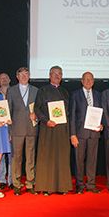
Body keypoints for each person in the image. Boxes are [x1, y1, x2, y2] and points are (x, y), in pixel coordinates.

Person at [34, 66, 72, 195]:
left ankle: (62, 187)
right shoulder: (42, 90)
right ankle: (46, 187)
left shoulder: (65, 92)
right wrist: (45, 120)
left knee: (61, 157)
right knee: (47, 157)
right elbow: (37, 109)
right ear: (49, 75)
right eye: (55, 74)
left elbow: (68, 112)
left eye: (60, 74)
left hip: (62, 129)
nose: (57, 76)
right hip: (48, 129)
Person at [70, 71, 102, 194]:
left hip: (94, 133)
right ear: (82, 81)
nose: (88, 81)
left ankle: (91, 184)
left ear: (93, 81)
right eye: (86, 79)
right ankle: (80, 185)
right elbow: (72, 116)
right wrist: (72, 134)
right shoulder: (75, 95)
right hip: (80, 134)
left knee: (92, 160)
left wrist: (102, 125)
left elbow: (101, 113)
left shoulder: (98, 95)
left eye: (91, 79)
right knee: (79, 160)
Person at [8, 67, 39, 196]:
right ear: (17, 76)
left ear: (29, 76)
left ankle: (30, 183)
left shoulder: (36, 91)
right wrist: (9, 131)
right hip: (16, 129)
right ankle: (16, 184)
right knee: (16, 158)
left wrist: (36, 115)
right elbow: (8, 111)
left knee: (30, 158)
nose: (24, 76)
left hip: (32, 128)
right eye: (21, 74)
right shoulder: (11, 90)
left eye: (26, 74)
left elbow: (39, 108)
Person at [0, 72, 13, 190]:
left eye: (5, 78)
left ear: (10, 80)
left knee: (12, 155)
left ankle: (12, 180)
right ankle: (2, 179)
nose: (3, 80)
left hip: (12, 128)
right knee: (0, 156)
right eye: (1, 78)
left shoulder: (14, 93)